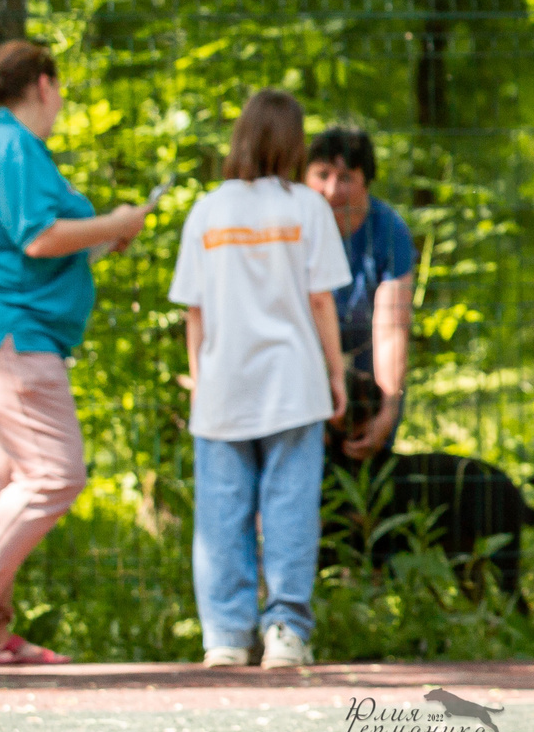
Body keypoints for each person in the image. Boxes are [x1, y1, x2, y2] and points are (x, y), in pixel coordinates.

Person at [0, 41, 151, 665]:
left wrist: (101, 239)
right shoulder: (16, 147)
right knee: (56, 471)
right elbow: (40, 238)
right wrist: (115, 222)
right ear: (45, 86)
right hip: (8, 337)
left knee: (7, 475)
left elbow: (24, 244)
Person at [170, 90, 350, 668]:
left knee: (221, 512)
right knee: (290, 506)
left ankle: (224, 635)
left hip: (223, 386)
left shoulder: (207, 211)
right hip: (294, 385)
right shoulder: (307, 209)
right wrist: (337, 376)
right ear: (294, 145)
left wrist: (199, 378)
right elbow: (321, 300)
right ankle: (286, 633)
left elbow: (193, 311)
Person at [304, 124, 416, 461]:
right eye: (322, 174)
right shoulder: (295, 226)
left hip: (369, 363)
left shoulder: (389, 231)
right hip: (309, 358)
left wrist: (388, 409)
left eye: (346, 177)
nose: (332, 190)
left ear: (366, 181)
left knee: (369, 457)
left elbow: (392, 327)